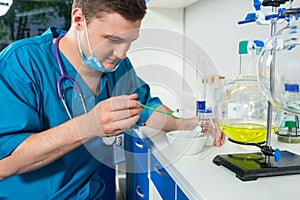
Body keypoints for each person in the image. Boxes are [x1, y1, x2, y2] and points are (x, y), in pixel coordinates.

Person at [0, 0, 224, 199]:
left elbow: (145, 108)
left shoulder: (117, 67)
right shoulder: (21, 63)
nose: (122, 53)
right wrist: (88, 125)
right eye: (112, 39)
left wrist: (188, 124)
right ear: (78, 19)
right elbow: (5, 165)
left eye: (130, 41)